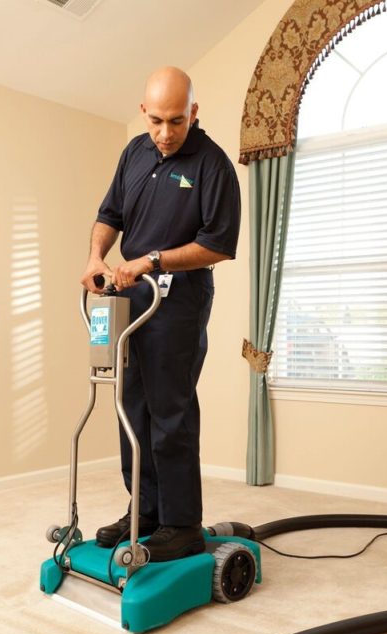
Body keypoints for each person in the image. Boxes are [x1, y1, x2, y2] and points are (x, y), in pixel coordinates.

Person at [79, 66, 241, 562]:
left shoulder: (212, 165)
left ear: (193, 112)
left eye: (176, 121)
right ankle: (144, 510)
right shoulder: (135, 152)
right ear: (142, 112)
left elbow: (218, 246)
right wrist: (95, 257)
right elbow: (111, 215)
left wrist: (150, 260)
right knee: (132, 404)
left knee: (170, 410)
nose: (166, 133)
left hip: (178, 299)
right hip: (129, 297)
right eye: (156, 121)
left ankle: (182, 523)